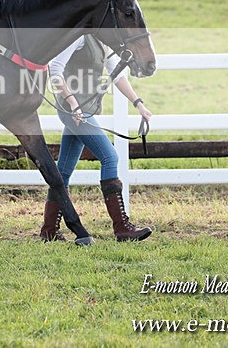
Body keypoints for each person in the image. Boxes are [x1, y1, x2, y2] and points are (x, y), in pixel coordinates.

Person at [40, 34, 153, 242]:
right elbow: (54, 70)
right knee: (110, 157)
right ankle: (122, 228)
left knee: (63, 170)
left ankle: (49, 231)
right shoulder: (79, 37)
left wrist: (139, 104)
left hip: (85, 110)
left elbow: (117, 76)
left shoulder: (102, 40)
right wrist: (72, 103)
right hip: (74, 111)